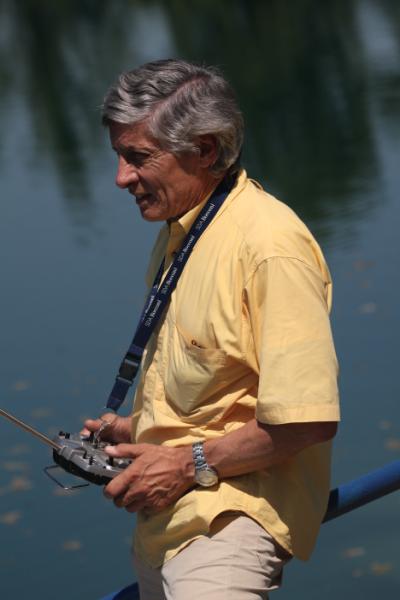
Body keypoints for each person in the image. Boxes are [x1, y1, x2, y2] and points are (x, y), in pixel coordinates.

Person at [83, 59, 340, 600]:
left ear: (204, 150)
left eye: (138, 157)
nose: (121, 177)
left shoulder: (269, 246)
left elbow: (307, 419)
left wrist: (185, 463)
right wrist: (140, 428)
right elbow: (219, 384)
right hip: (165, 530)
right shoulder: (184, 227)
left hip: (227, 530)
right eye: (119, 157)